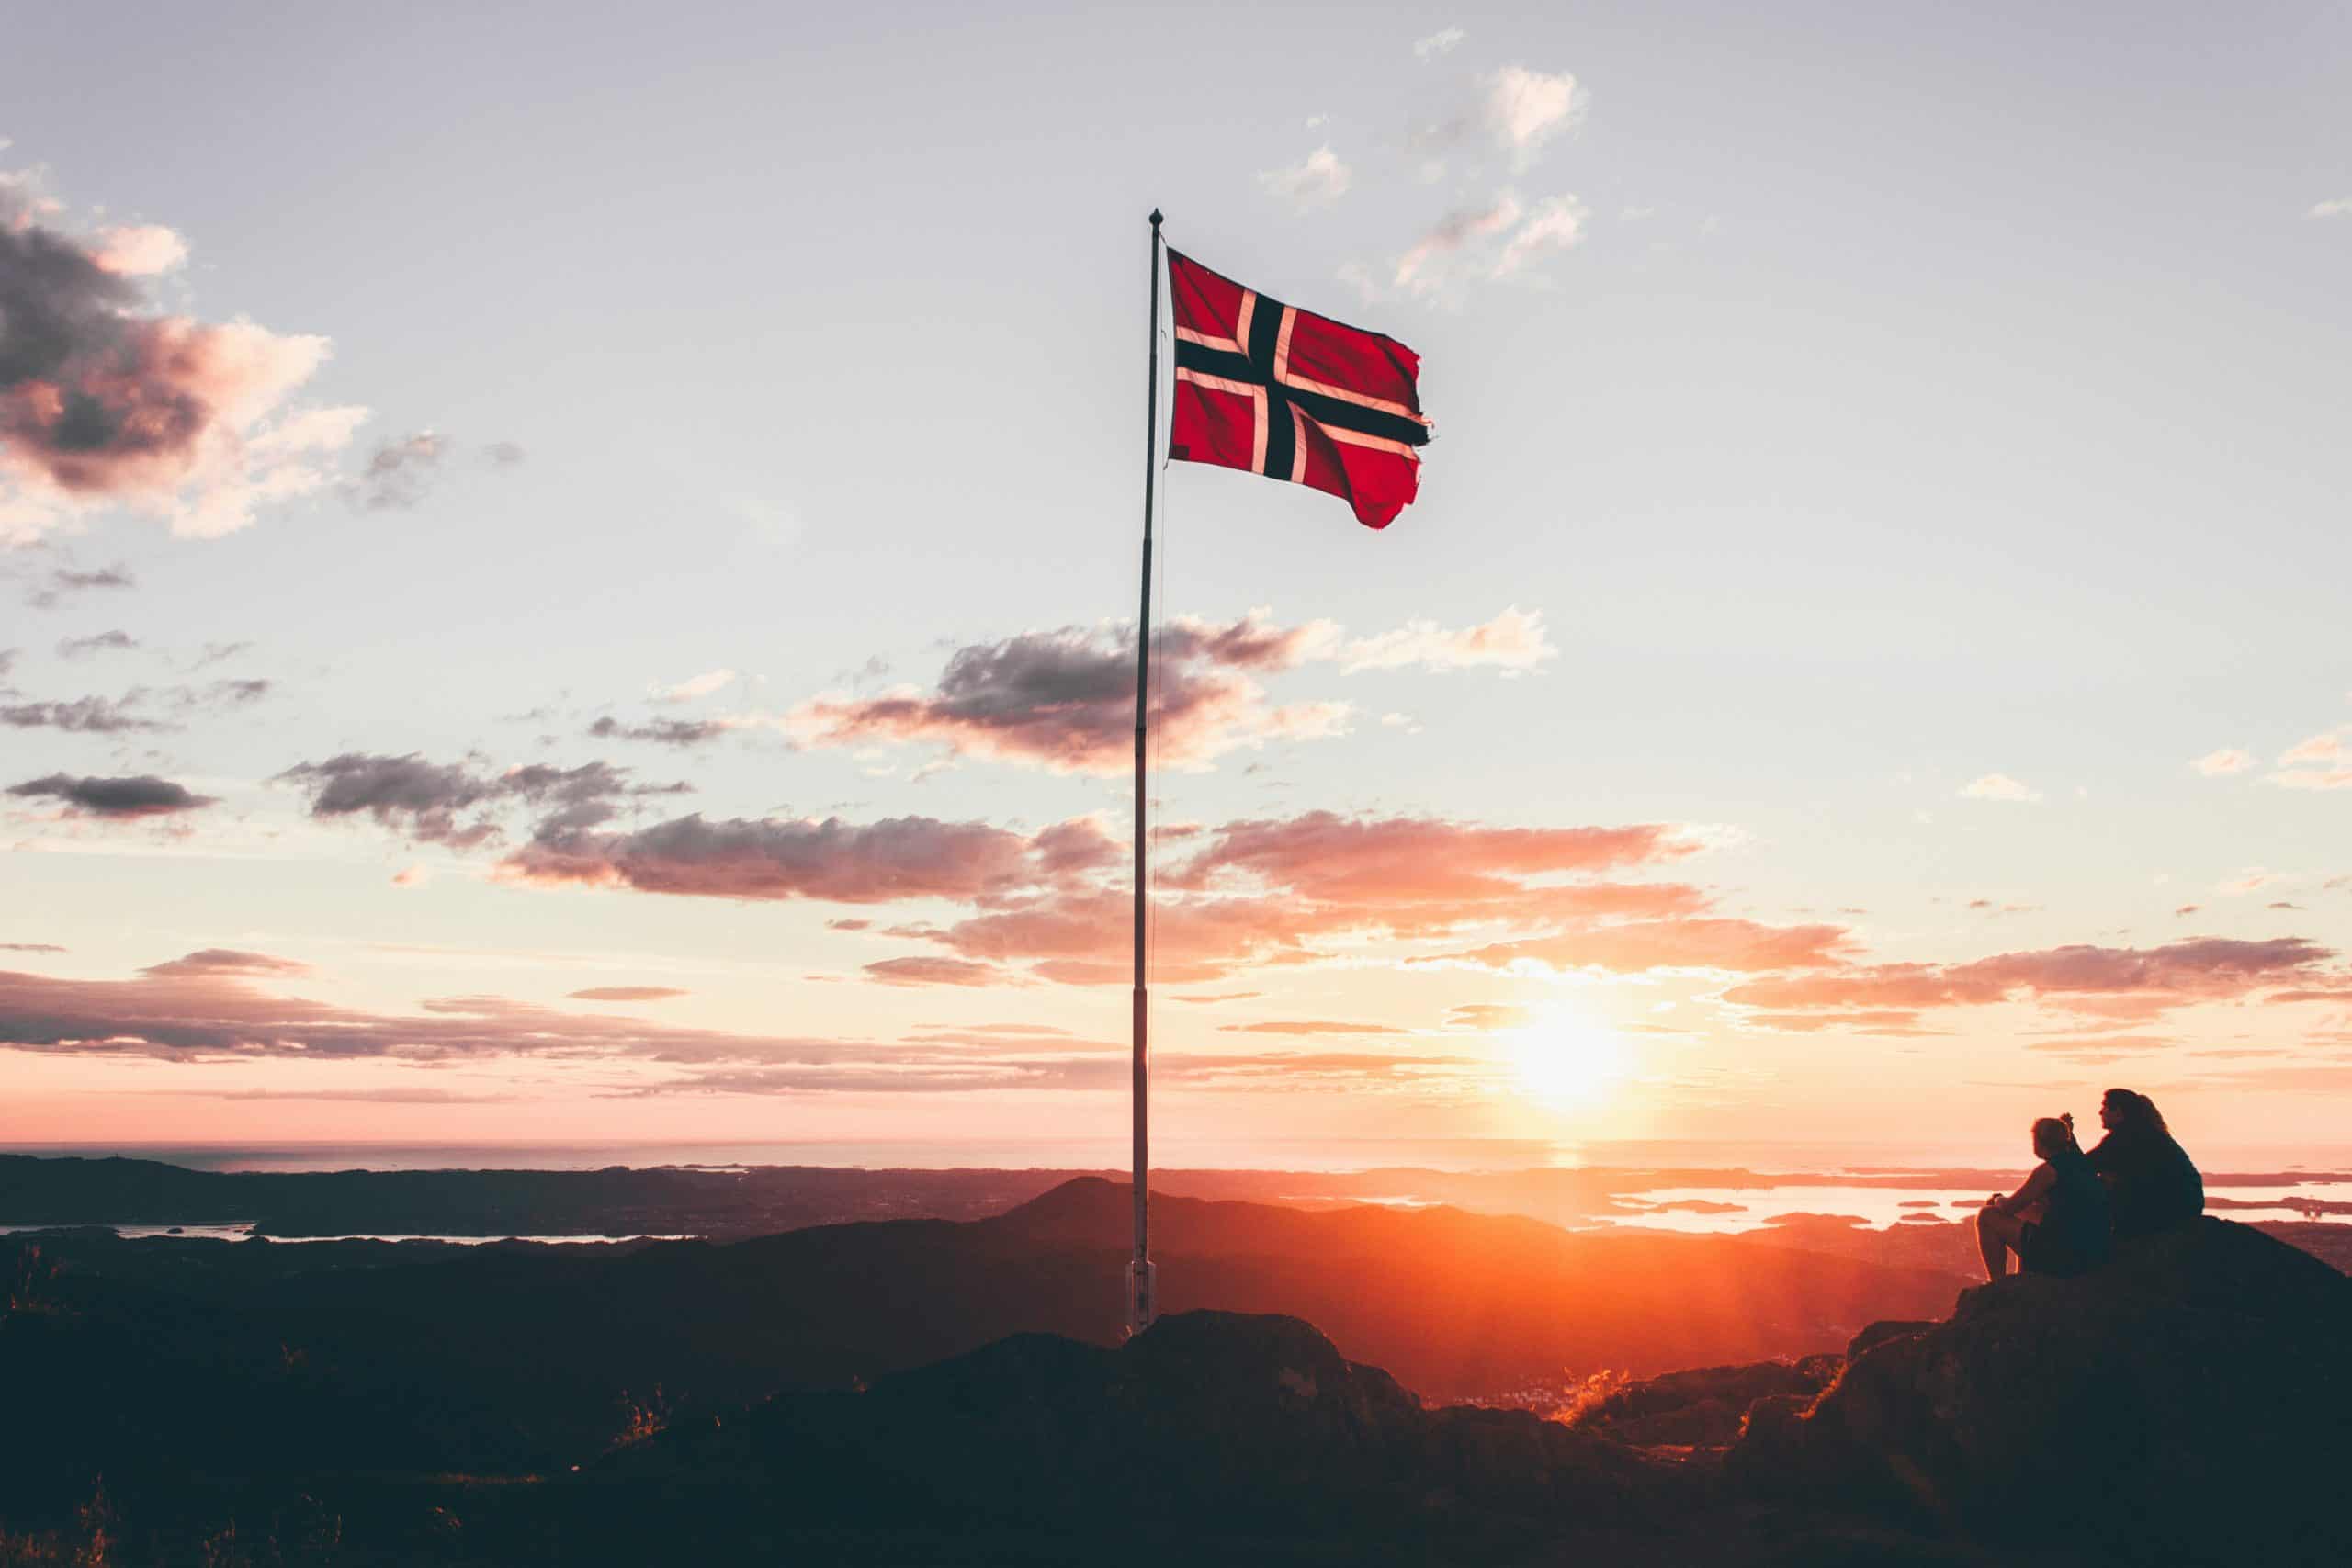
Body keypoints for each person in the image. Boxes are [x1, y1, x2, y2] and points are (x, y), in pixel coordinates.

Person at [1976, 1113, 2111, 1281]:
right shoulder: (2083, 1163)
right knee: (2033, 1212)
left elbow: (2010, 1207)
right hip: (2092, 1251)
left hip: (2064, 1255)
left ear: (2038, 1142)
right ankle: (2023, 1279)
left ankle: (1996, 1283)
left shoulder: (2048, 1171)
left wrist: (1997, 1199)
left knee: (1987, 1215)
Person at [2086, 1088, 2203, 1242]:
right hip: (2185, 1206)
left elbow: (2083, 1167)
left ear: (2119, 1112)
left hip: (2165, 1209)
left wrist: (2064, 1140)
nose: (2100, 1112)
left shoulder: (2125, 1137)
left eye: (2105, 1106)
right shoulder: (2147, 1132)